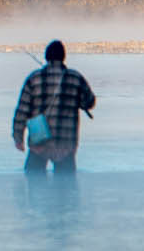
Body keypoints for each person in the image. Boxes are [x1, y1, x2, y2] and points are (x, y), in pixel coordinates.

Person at [12, 40, 96, 173]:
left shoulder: (34, 78)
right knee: (66, 183)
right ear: (63, 57)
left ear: (46, 57)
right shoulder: (75, 77)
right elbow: (89, 102)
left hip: (39, 139)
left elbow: (22, 111)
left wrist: (18, 137)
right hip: (65, 141)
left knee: (33, 180)